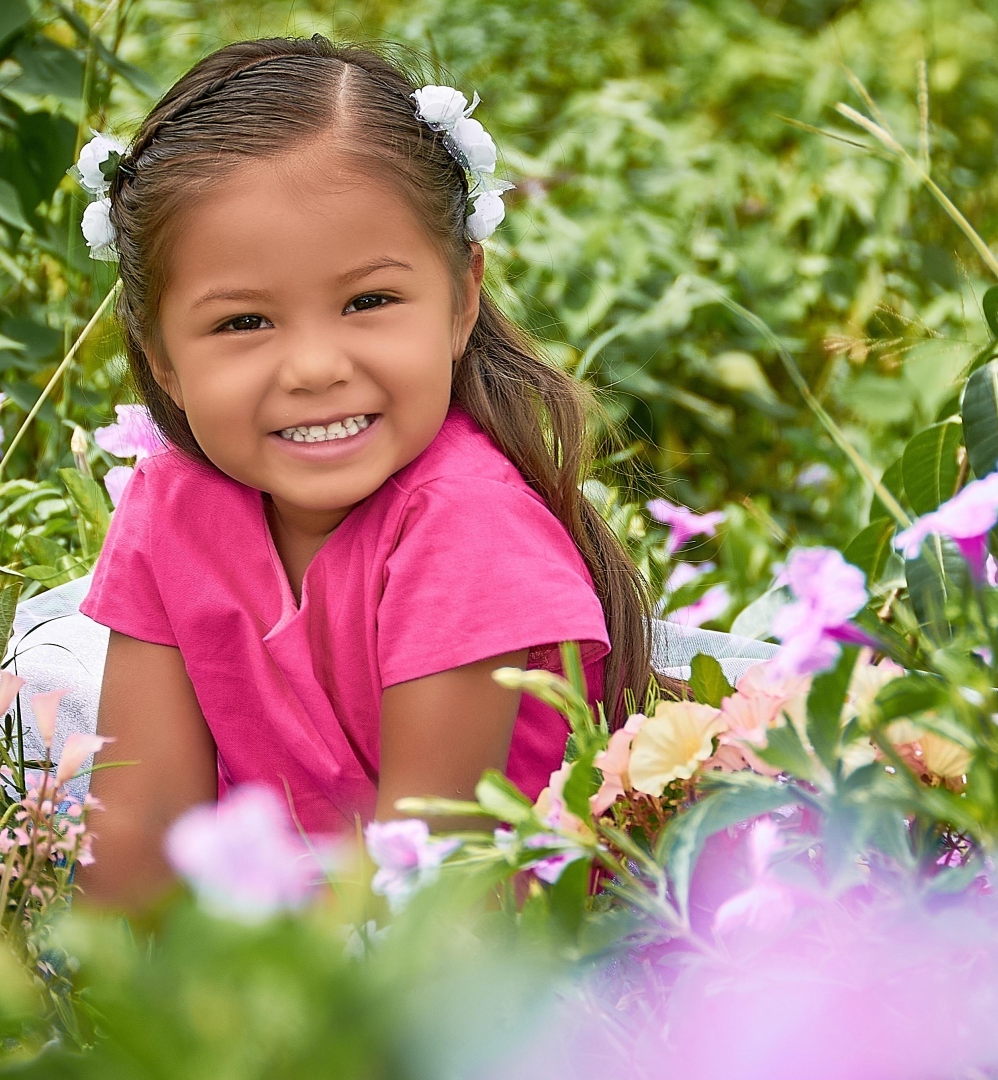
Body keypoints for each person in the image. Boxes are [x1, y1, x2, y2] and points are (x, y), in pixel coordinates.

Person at [75, 36, 668, 906]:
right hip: (278, 955)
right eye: (243, 322)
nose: (316, 367)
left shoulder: (465, 524)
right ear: (160, 353)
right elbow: (136, 852)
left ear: (462, 297)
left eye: (369, 302)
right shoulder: (173, 508)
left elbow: (431, 898)